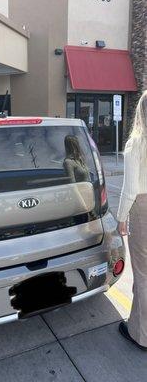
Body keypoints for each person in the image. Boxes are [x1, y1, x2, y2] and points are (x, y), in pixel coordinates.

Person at [117, 90, 147, 351]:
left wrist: (120, 218)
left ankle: (141, 334)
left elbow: (129, 189)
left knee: (143, 274)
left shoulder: (136, 142)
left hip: (142, 209)